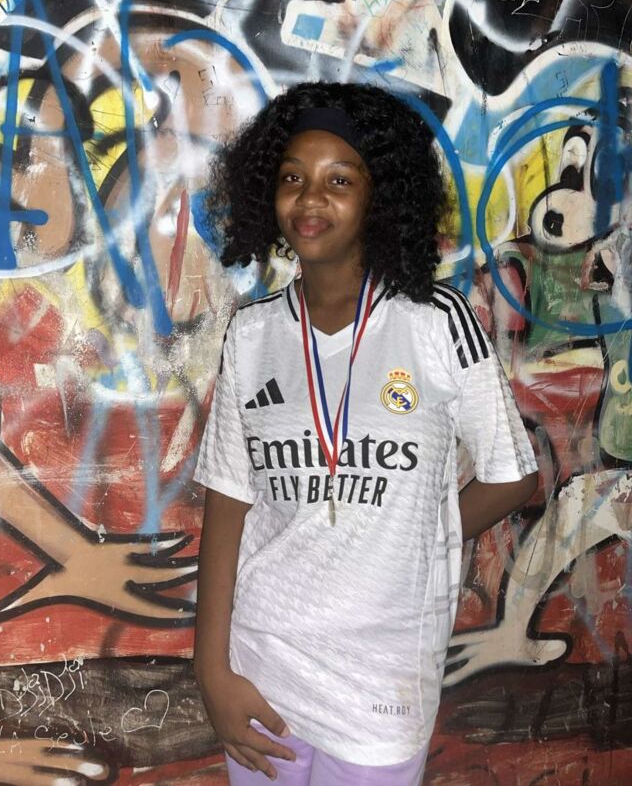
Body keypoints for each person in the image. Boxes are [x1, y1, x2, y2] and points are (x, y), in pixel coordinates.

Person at [193, 82, 539, 785]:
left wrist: (420, 536)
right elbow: (228, 504)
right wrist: (211, 669)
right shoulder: (252, 334)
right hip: (262, 666)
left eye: (339, 181)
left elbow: (514, 476)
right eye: (293, 178)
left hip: (382, 677)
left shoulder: (436, 322)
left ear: (379, 195)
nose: (310, 199)